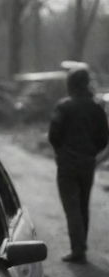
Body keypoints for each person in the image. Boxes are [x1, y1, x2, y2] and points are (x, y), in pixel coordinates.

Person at [48, 67, 109, 263]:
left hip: (67, 163)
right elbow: (103, 138)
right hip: (87, 162)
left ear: (70, 84)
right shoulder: (96, 108)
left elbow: (53, 135)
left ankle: (78, 248)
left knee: (71, 206)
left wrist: (61, 152)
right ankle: (80, 246)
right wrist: (90, 153)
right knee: (83, 205)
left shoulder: (63, 107)